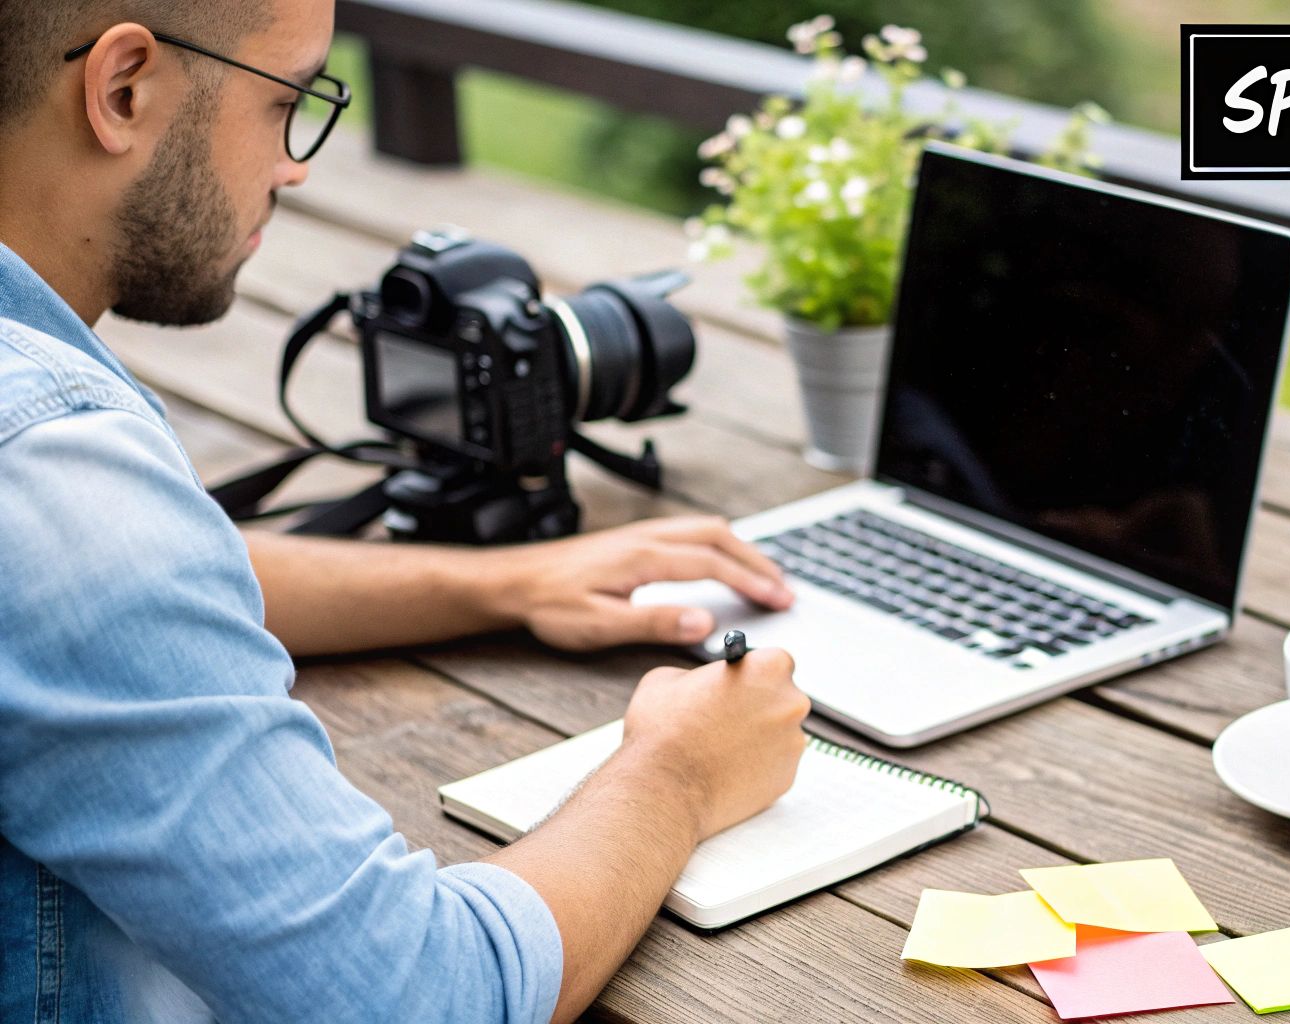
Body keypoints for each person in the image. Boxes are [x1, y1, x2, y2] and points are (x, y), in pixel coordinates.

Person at [0, 1, 814, 1021]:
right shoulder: (53, 475)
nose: (296, 168)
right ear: (124, 89)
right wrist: (679, 775)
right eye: (285, 101)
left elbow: (97, 597)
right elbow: (418, 995)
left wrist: (503, 580)